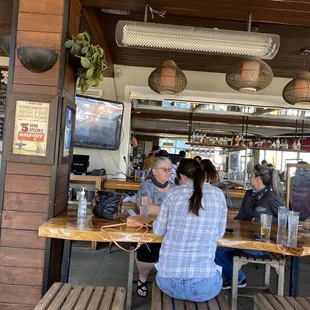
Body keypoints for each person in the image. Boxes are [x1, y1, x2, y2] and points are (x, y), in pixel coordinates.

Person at [153, 159, 227, 302]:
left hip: (168, 282)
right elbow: (219, 233)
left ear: (182, 176)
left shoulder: (173, 193)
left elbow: (158, 231)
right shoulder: (218, 195)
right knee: (217, 272)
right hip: (203, 286)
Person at [215, 164, 284, 289]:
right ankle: (236, 278)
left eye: (251, 175)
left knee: (218, 250)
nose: (249, 178)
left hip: (261, 245)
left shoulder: (271, 198)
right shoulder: (249, 194)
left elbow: (287, 220)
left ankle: (238, 279)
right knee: (216, 247)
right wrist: (226, 228)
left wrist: (262, 220)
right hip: (242, 240)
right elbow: (240, 216)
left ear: (258, 179)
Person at [135, 157, 175, 297]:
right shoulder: (146, 186)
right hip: (150, 229)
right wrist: (170, 209)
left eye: (169, 170)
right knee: (148, 251)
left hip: (171, 230)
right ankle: (142, 279)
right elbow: (145, 209)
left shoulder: (174, 187)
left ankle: (169, 280)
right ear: (154, 171)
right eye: (164, 169)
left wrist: (157, 209)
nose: (168, 172)